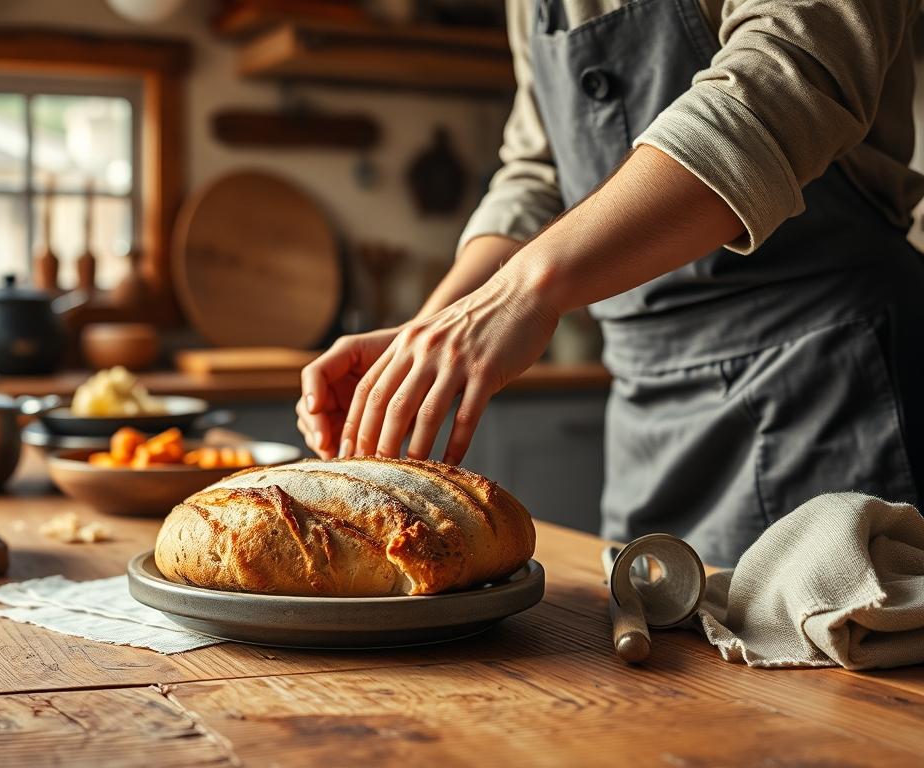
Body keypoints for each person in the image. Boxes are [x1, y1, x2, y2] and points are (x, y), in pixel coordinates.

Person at [296, 0, 924, 567]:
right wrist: (425, 334)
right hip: (643, 417)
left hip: (826, 385)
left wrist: (523, 289)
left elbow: (785, 82)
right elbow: (538, 174)